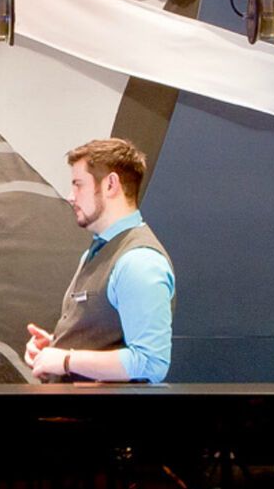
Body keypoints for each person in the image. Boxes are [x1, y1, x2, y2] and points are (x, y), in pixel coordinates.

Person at [24, 138, 172, 383]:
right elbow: (105, 341)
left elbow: (150, 363)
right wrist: (56, 346)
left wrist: (66, 360)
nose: (71, 197)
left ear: (111, 184)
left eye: (78, 185)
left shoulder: (139, 261)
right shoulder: (97, 252)